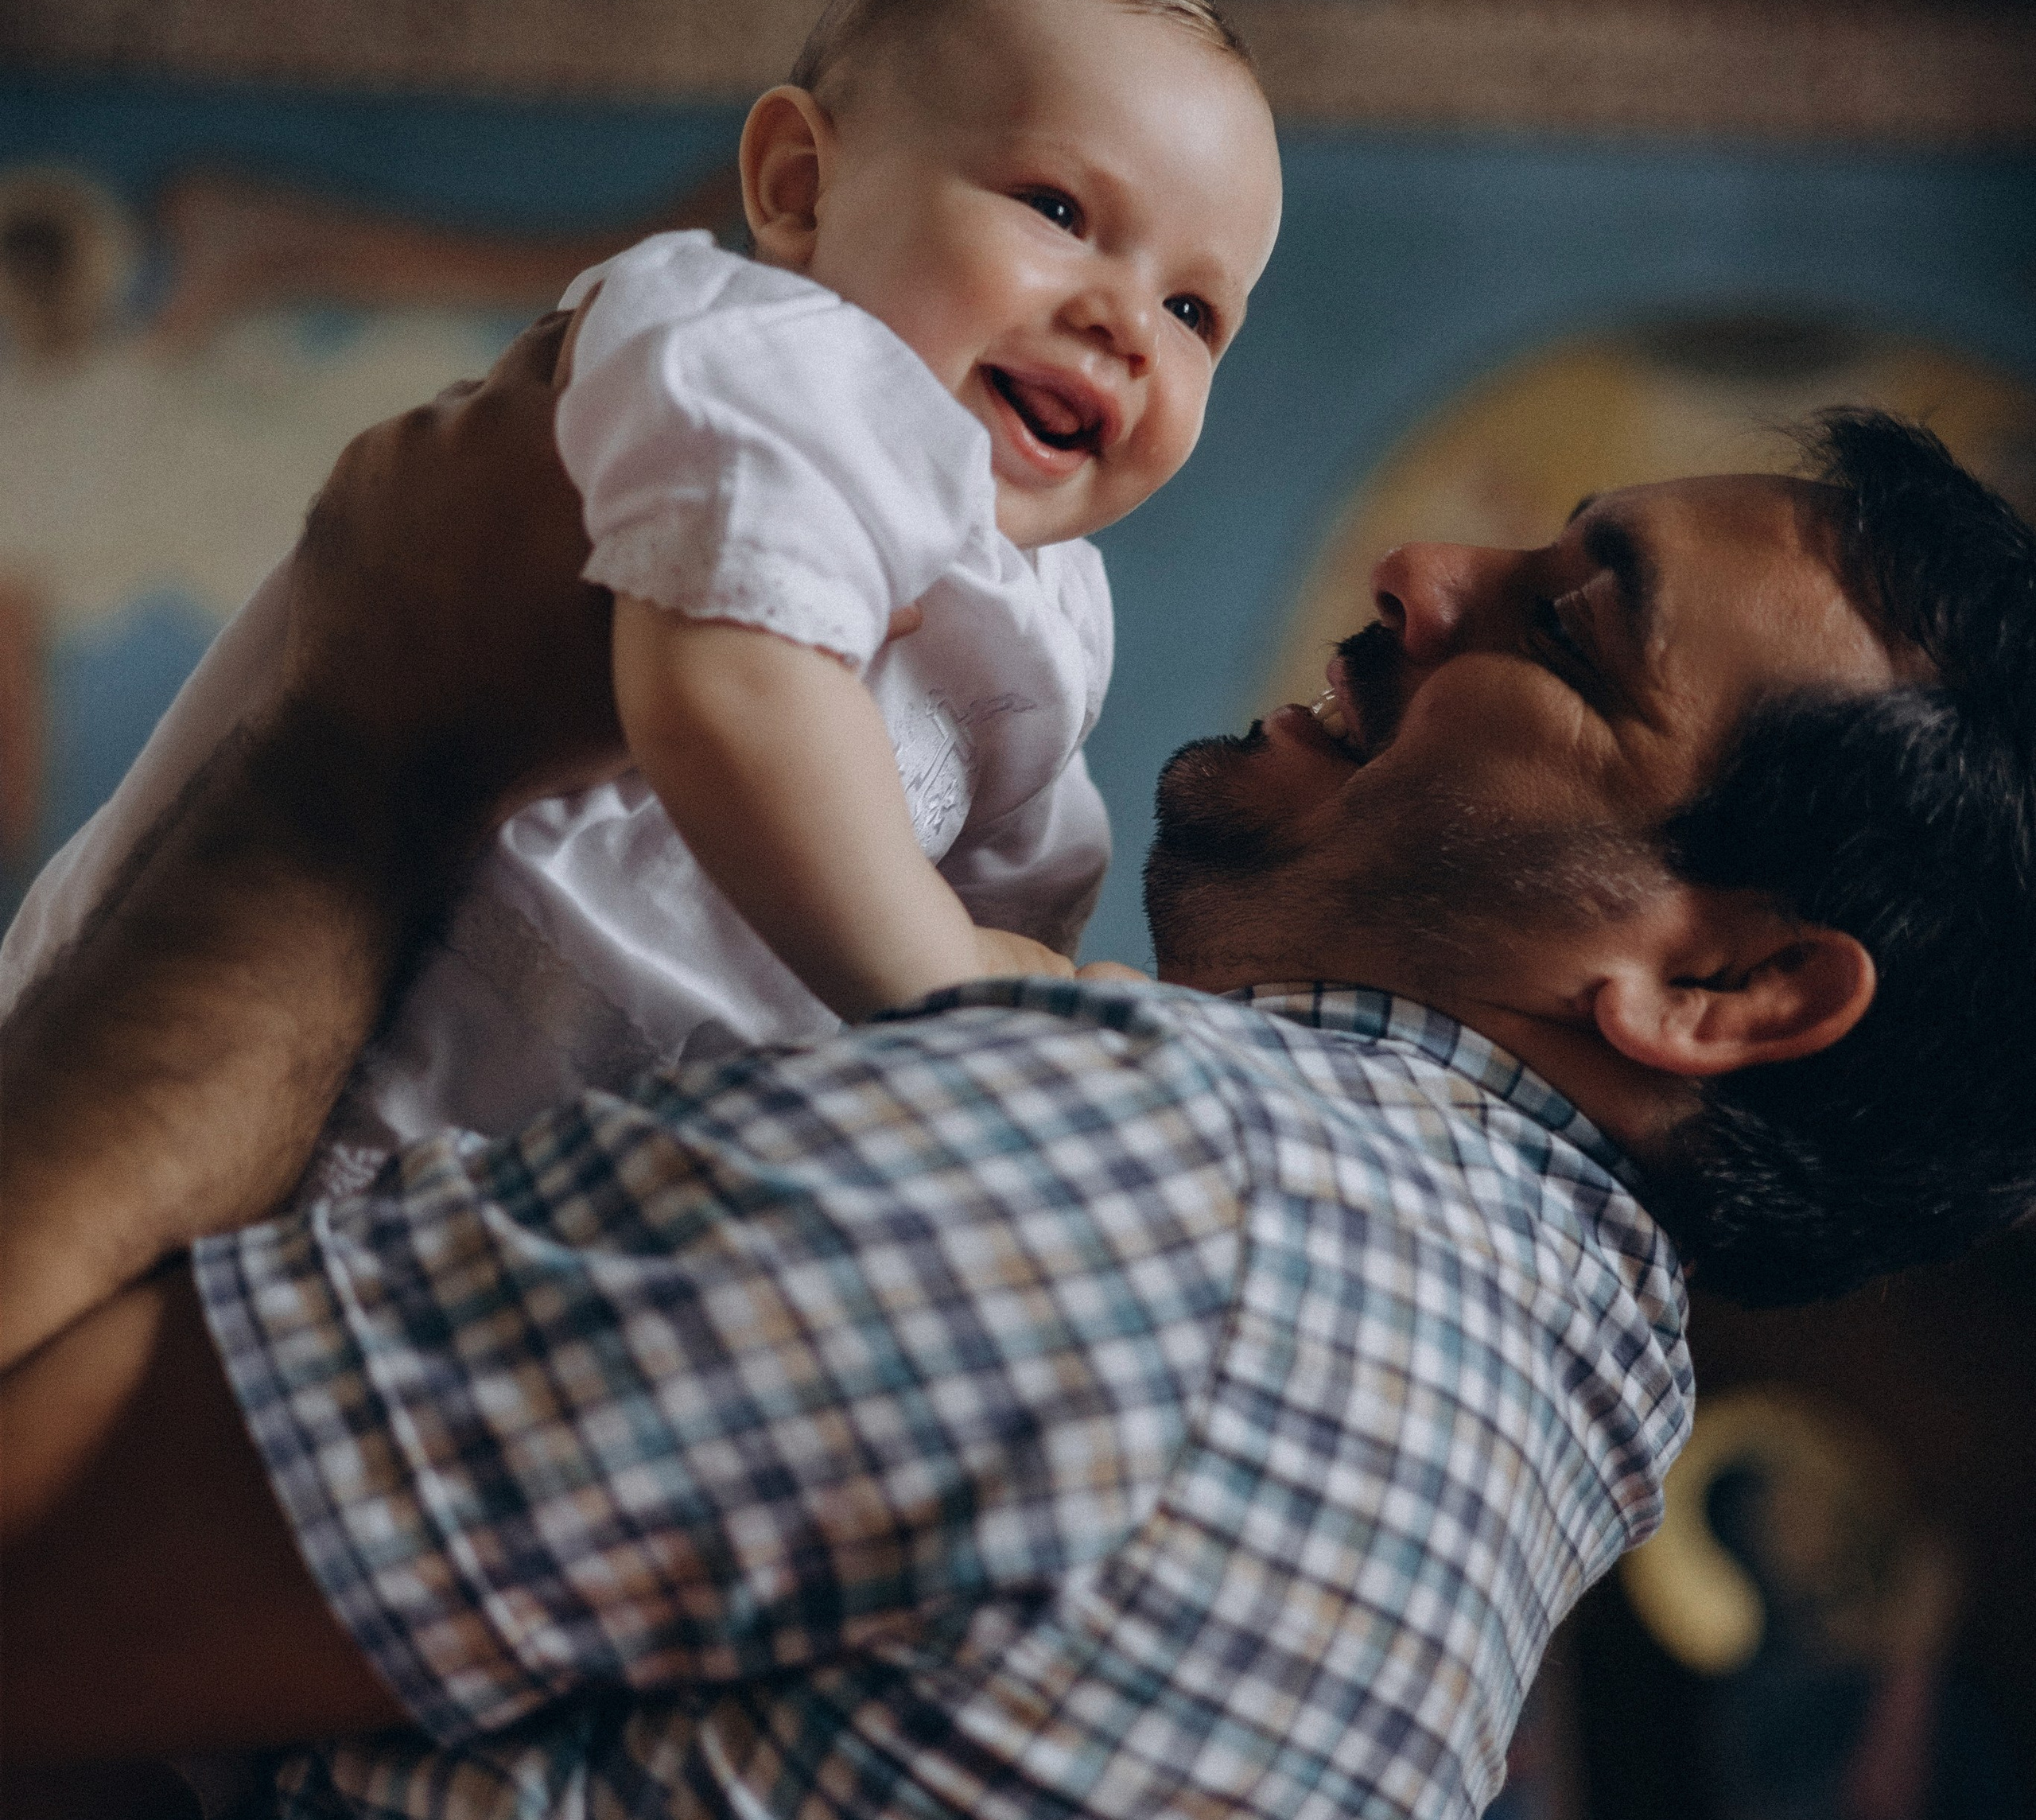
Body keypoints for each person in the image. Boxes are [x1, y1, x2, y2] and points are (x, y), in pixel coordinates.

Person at [3, 316, 2033, 1820]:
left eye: (1570, 632)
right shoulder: (1488, 1406)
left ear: (1726, 986)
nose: (1426, 566)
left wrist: (361, 718)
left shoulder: (1176, 1191)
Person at [0, 0, 1282, 1202]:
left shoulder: (1054, 606)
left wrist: (1031, 1026)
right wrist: (948, 985)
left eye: (1193, 310)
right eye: (1058, 208)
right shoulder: (758, 361)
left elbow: (1016, 901)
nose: (1126, 321)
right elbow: (730, 695)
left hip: (521, 1192)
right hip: (221, 1082)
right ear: (800, 186)